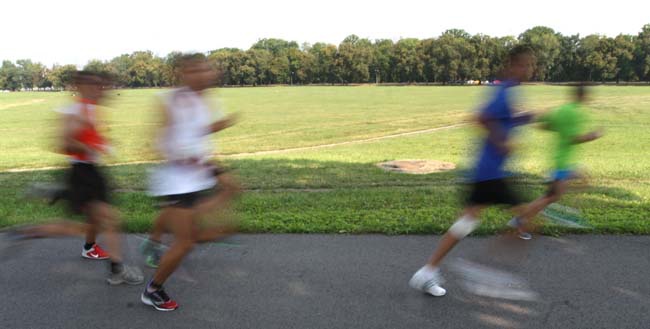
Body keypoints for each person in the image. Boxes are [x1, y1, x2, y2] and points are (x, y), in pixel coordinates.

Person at [409, 45, 539, 297]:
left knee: (467, 222)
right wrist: (502, 142)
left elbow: (502, 118)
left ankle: (427, 271)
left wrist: (527, 118)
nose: (529, 69)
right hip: (491, 172)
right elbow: (480, 117)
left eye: (531, 64)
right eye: (525, 64)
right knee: (527, 219)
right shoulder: (503, 91)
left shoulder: (507, 91)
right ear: (513, 65)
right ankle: (485, 269)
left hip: (486, 171)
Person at [9, 71, 144, 285]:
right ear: (79, 86)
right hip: (83, 174)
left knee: (99, 221)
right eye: (94, 85)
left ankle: (59, 204)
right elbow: (63, 143)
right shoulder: (76, 110)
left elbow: (88, 134)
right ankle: (28, 230)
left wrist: (99, 145)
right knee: (97, 222)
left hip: (90, 172)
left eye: (101, 85)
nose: (100, 89)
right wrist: (90, 147)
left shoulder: (89, 108)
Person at [140, 54, 241, 311]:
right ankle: (153, 289)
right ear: (183, 73)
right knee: (186, 241)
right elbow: (158, 143)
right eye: (196, 70)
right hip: (176, 182)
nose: (204, 74)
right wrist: (191, 160)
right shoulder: (171, 100)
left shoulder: (202, 100)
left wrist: (222, 125)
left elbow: (199, 130)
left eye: (206, 69)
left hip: (196, 177)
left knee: (219, 221)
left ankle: (161, 244)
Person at [507, 84, 603, 236]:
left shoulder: (563, 109)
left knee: (582, 179)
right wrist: (594, 135)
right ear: (584, 97)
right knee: (550, 197)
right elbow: (573, 139)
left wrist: (556, 127)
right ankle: (520, 220)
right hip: (562, 163)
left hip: (564, 161)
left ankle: (569, 204)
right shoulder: (575, 113)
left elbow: (543, 125)